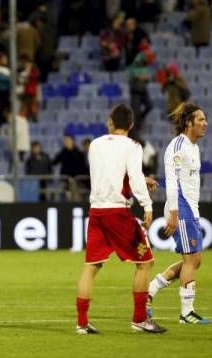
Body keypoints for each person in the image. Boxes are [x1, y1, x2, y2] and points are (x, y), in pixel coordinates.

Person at [75, 104, 167, 335]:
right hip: (117, 212)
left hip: (96, 211)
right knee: (145, 263)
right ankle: (140, 319)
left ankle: (82, 323)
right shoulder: (133, 146)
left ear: (110, 122)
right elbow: (132, 177)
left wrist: (141, 179)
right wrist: (147, 205)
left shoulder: (95, 144)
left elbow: (109, 172)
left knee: (91, 266)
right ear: (132, 125)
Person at [147, 102, 211, 325]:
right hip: (180, 207)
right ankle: (186, 313)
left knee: (194, 260)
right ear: (188, 122)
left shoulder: (194, 147)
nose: (205, 123)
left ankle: (150, 290)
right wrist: (174, 212)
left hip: (190, 208)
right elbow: (172, 182)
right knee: (191, 258)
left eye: (205, 119)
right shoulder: (177, 147)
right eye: (201, 119)